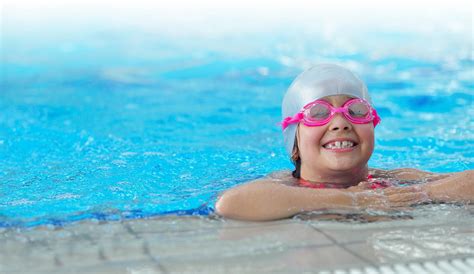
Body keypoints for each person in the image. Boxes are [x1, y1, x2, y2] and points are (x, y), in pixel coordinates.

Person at [215, 64, 473, 221]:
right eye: (318, 113)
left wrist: (420, 194)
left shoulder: (393, 180)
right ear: (294, 143)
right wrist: (354, 201)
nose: (340, 123)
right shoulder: (284, 185)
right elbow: (231, 203)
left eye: (356, 110)